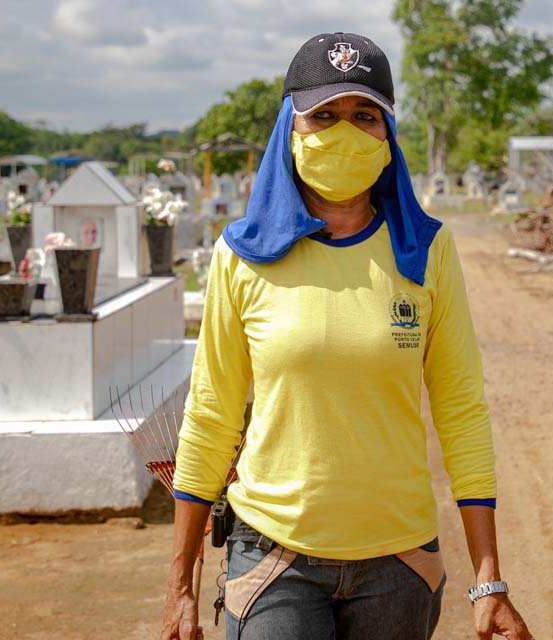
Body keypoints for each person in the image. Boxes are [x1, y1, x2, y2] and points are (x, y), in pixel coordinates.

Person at [162, 32, 533, 640]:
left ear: (388, 135)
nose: (344, 132)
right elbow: (210, 415)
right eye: (324, 115)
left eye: (365, 116)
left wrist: (489, 581)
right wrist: (181, 585)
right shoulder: (244, 255)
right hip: (274, 558)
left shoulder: (426, 251)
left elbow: (461, 410)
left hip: (400, 564)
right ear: (291, 127)